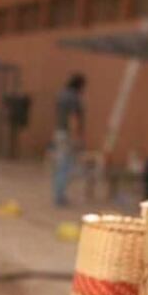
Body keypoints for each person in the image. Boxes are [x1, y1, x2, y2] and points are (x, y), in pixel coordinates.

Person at [52, 73, 86, 207]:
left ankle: (58, 193)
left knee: (61, 164)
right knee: (66, 165)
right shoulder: (73, 97)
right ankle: (60, 195)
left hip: (59, 132)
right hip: (68, 134)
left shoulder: (61, 95)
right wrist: (76, 136)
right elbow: (73, 117)